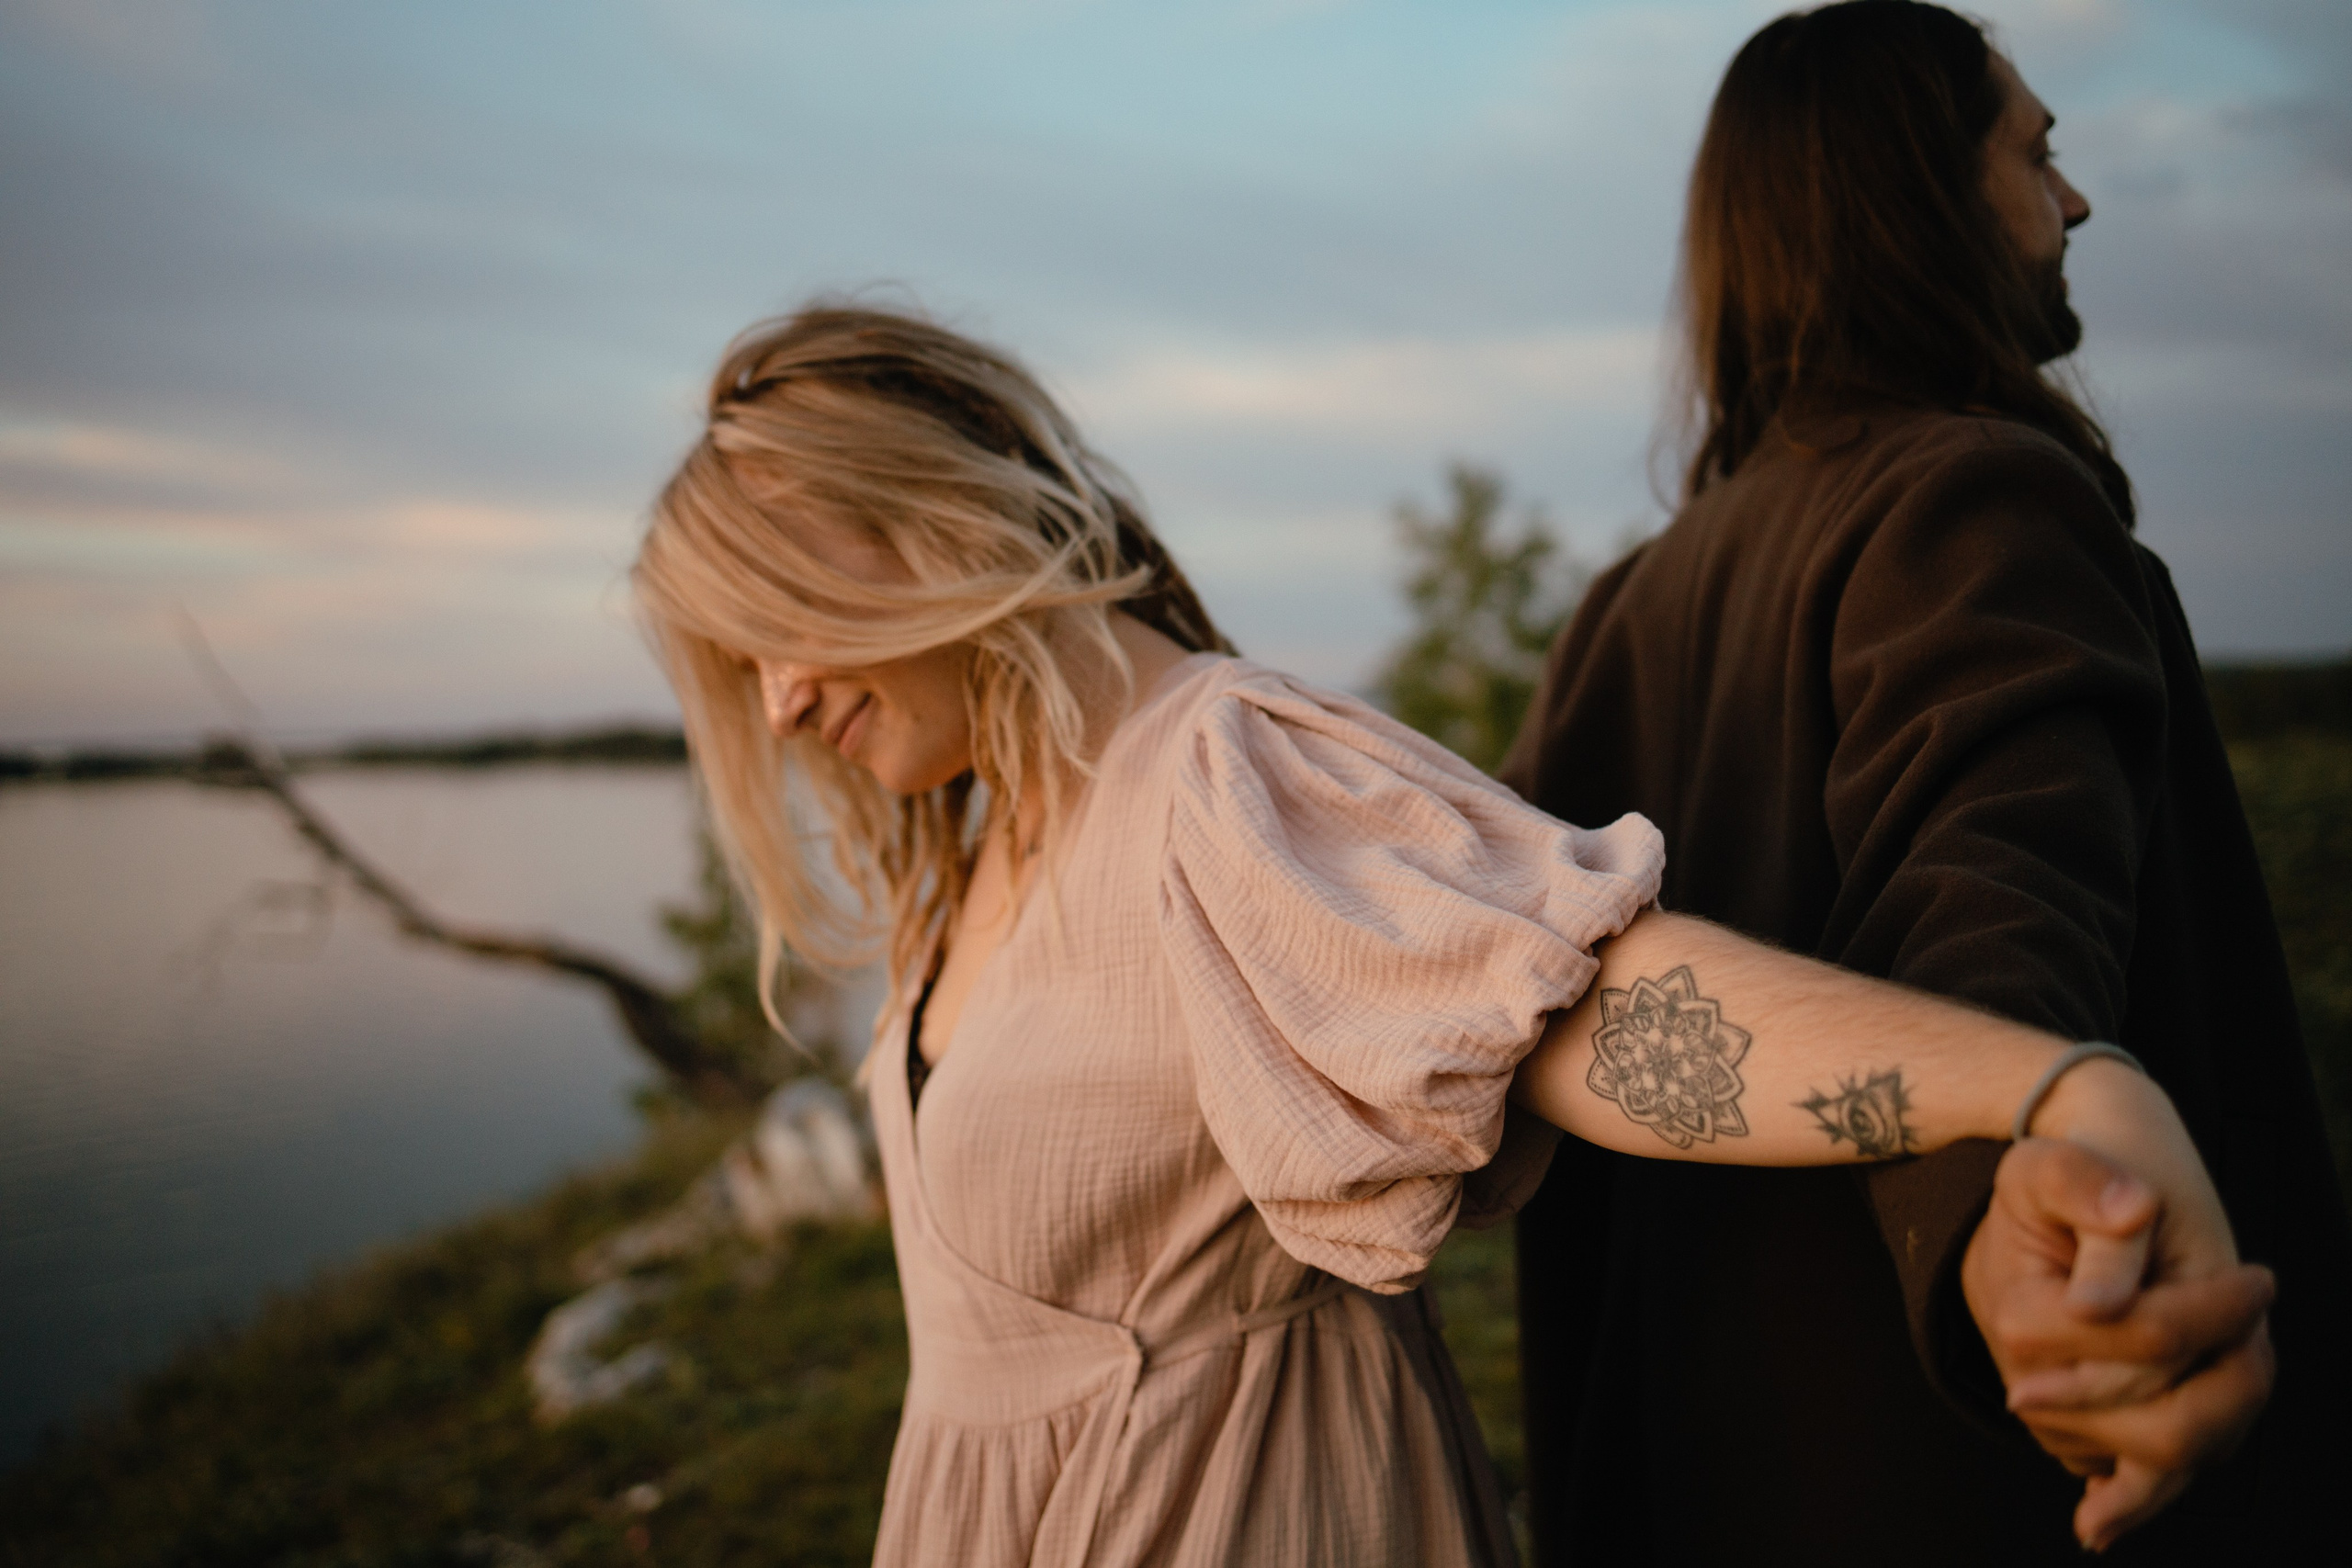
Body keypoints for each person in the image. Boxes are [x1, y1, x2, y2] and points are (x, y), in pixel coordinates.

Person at [631, 303, 2254, 1567]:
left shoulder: (1215, 770)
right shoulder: (979, 845)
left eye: (783, 619)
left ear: (927, 511)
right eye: (740, 658)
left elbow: (1589, 1015)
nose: (778, 697)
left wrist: (2041, 1091)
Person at [1500, 3, 2352, 1562]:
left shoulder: (1621, 607)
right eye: (2037, 151)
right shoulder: (1982, 491)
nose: (2075, 201)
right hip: (1972, 1485)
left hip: (1683, 1484)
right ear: (1917, 193)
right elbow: (1989, 914)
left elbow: (1516, 1003)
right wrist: (2021, 1208)